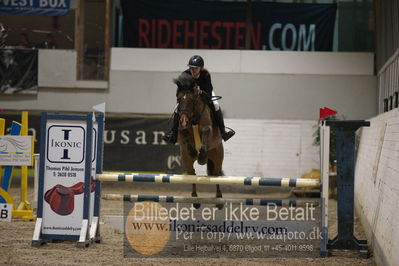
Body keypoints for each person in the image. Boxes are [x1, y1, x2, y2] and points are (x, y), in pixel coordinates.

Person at [163, 55, 235, 144]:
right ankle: (173, 133)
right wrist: (181, 98)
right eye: (191, 67)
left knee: (216, 105)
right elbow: (179, 91)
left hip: (204, 92)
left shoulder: (205, 75)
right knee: (178, 108)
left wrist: (200, 92)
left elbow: (208, 93)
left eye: (195, 68)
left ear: (200, 68)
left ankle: (223, 131)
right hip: (188, 95)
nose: (192, 70)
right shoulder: (185, 75)